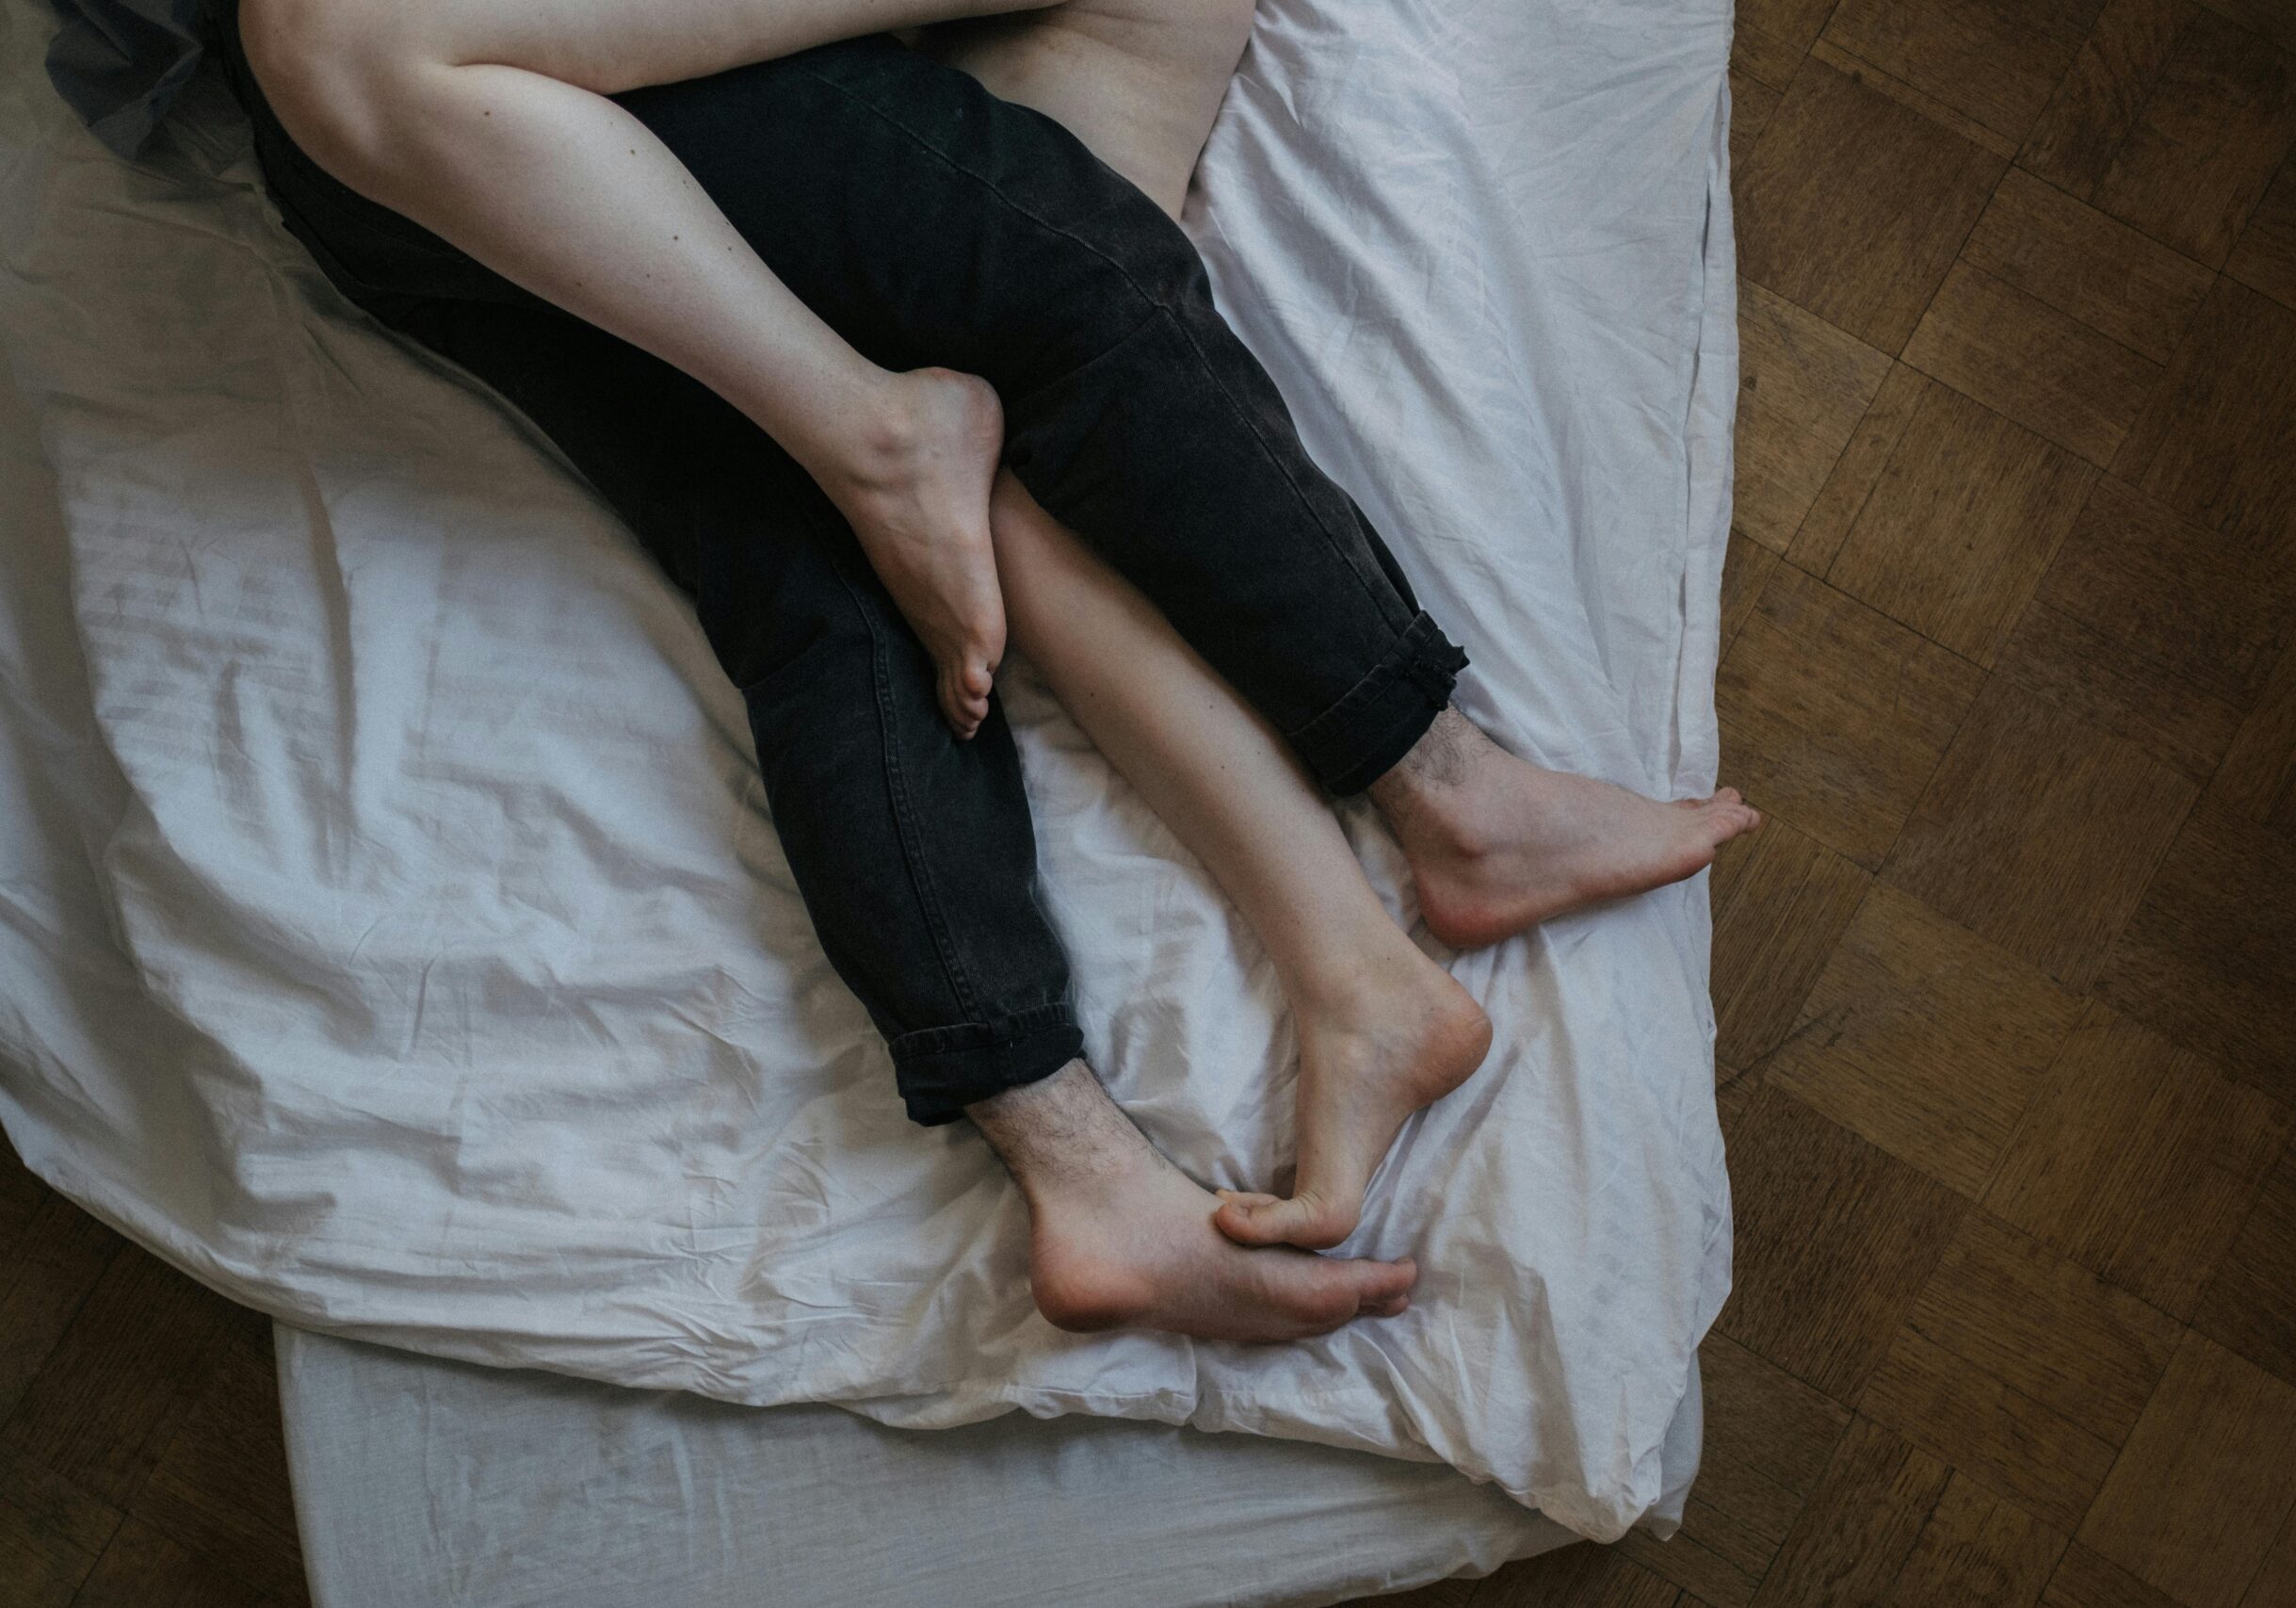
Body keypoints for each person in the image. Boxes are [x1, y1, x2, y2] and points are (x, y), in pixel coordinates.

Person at [51, 0, 1760, 1341]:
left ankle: (1212, 1026)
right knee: (918, 420)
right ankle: (1387, 888)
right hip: (403, 115)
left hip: (389, 113)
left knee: (897, 439)